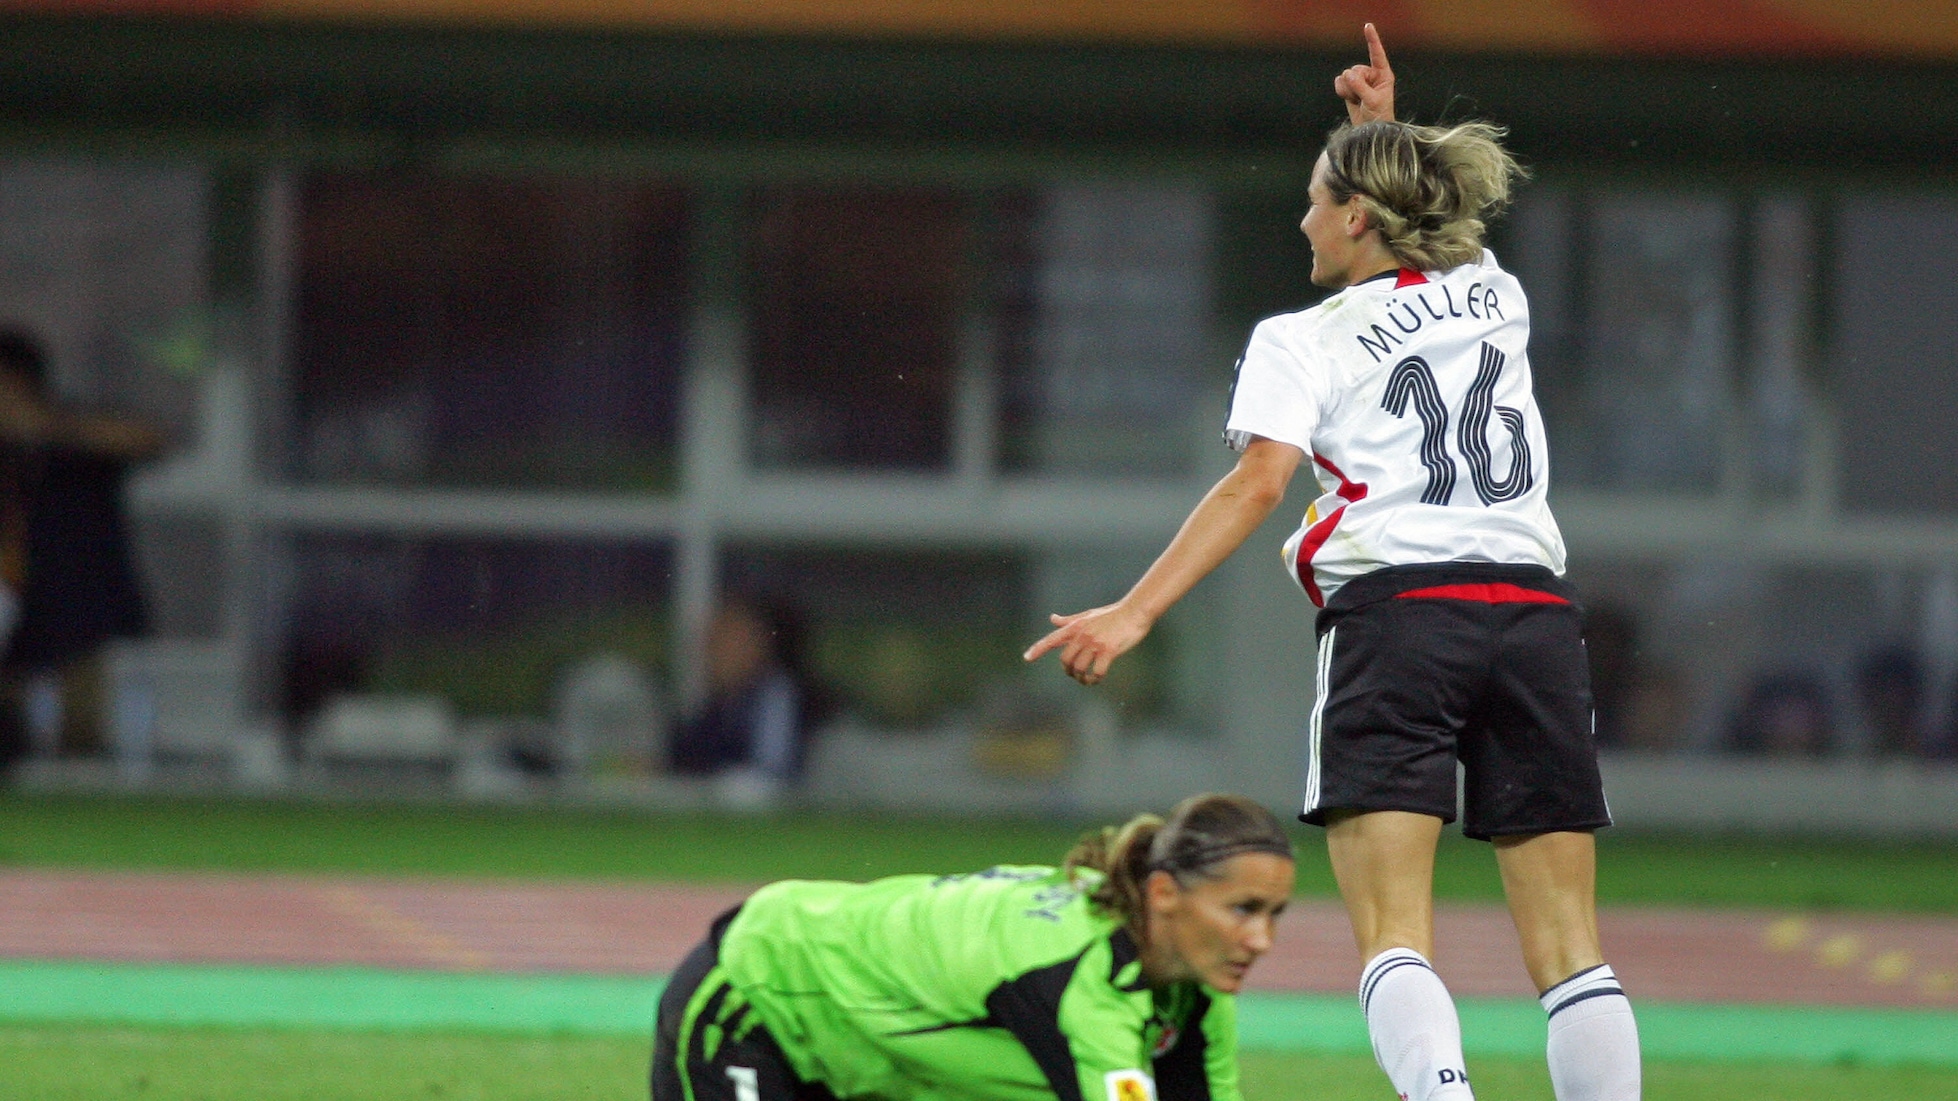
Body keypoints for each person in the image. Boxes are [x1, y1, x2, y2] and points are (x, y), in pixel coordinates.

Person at [1024, 26, 1639, 1101]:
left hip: (1402, 618)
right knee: (1568, 948)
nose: (1303, 217)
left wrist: (1133, 610)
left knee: (1393, 937)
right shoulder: (1496, 294)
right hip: (1535, 618)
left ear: (1356, 216)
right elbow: (1429, 244)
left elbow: (1257, 485)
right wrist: (1377, 133)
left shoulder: (1298, 340)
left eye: (1317, 198)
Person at [651, 792, 1294, 1101]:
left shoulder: (1196, 989)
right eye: (1242, 909)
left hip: (865, 1063)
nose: (1260, 940)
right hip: (758, 997)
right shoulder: (1079, 981)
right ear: (1162, 893)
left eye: (1273, 914)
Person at [0, 327, 168, 775]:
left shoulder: (69, 436)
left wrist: (45, 425)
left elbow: (148, 439)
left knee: (83, 742)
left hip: (81, 616)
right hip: (12, 614)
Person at [667, 593, 819, 801]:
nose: (709, 649)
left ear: (759, 644)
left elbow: (772, 773)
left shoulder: (778, 698)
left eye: (724, 639)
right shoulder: (719, 708)